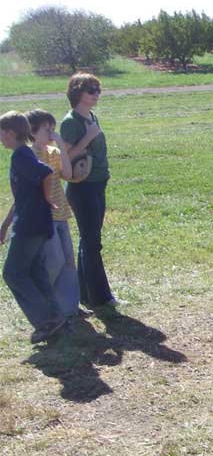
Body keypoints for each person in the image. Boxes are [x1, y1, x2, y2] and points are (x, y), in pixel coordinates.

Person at [0, 111, 66, 344]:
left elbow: (46, 173)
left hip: (30, 225)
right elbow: (23, 195)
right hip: (33, 222)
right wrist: (5, 225)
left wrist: (47, 198)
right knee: (35, 272)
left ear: (10, 132)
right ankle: (56, 316)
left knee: (13, 273)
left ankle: (46, 320)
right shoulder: (23, 154)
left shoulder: (20, 155)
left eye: (1, 133)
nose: (0, 138)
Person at [60, 73, 118, 308]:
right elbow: (64, 158)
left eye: (98, 89)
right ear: (78, 93)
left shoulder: (91, 116)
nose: (96, 94)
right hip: (82, 187)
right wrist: (87, 138)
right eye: (91, 90)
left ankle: (85, 295)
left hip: (97, 182)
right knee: (92, 242)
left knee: (89, 240)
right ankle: (101, 298)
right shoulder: (71, 122)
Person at [26, 109, 85, 322]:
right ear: (32, 132)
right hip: (45, 216)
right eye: (46, 129)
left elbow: (67, 175)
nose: (52, 133)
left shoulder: (53, 152)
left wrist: (61, 147)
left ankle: (70, 307)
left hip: (61, 212)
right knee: (54, 261)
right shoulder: (29, 154)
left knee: (68, 259)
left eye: (53, 128)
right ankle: (50, 305)